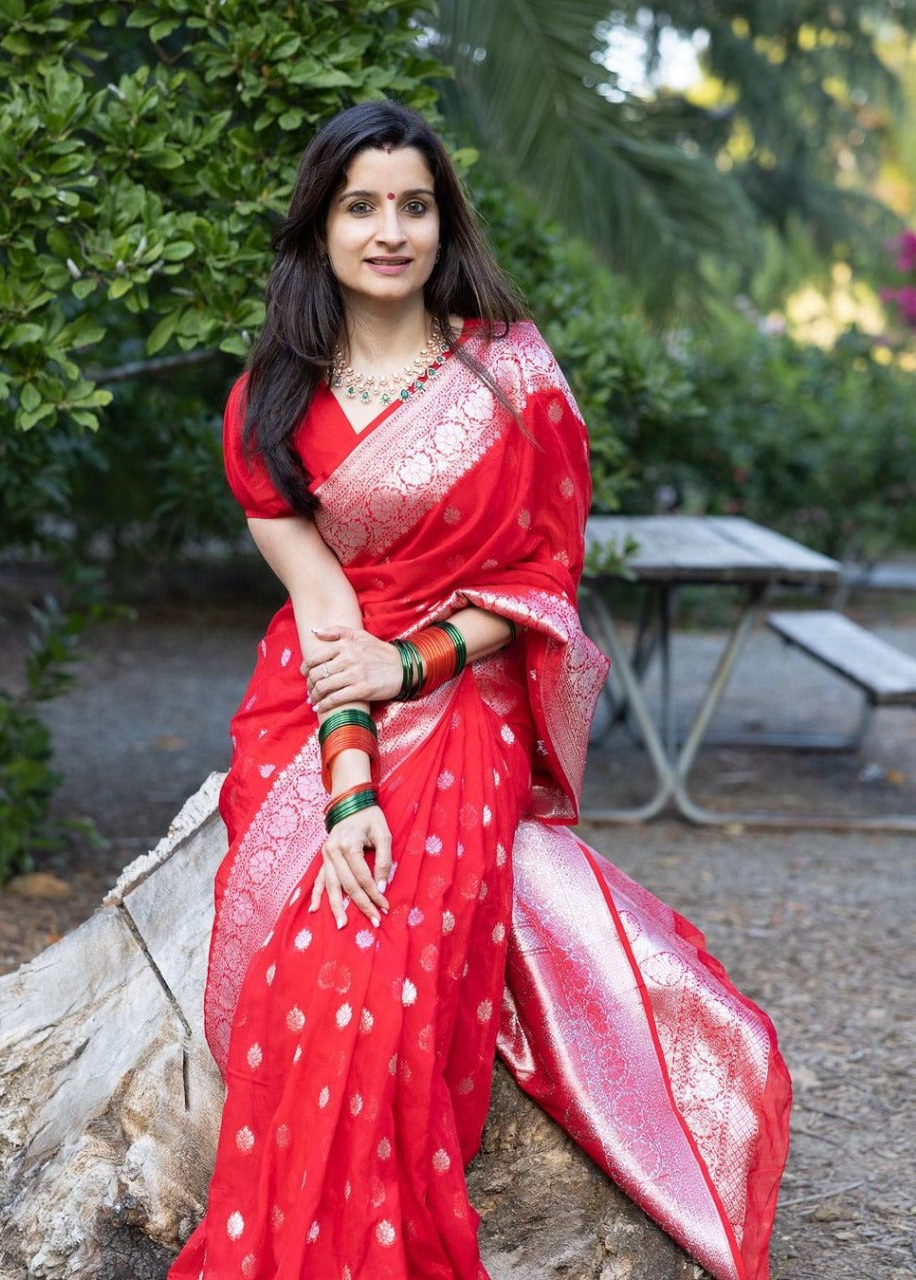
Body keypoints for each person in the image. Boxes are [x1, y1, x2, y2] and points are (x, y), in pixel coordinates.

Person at [168, 101, 790, 1280]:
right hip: (315, 699)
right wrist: (351, 784)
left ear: (443, 222)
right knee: (312, 971)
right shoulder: (270, 402)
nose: (389, 230)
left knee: (384, 998)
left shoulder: (509, 377)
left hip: (467, 693)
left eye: (414, 204)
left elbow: (542, 578)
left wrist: (415, 664)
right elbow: (320, 604)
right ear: (320, 226)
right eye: (361, 206)